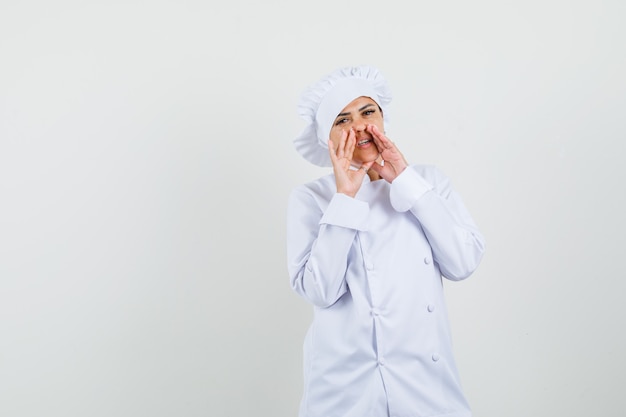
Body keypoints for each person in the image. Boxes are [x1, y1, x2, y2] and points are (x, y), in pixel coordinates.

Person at [287, 65, 485, 417]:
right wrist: (345, 198)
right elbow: (319, 291)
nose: (360, 127)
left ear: (382, 118)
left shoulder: (428, 181)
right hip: (345, 390)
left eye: (367, 112)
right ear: (327, 139)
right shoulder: (312, 198)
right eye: (342, 120)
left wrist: (405, 179)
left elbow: (462, 262)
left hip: (426, 383)